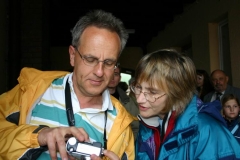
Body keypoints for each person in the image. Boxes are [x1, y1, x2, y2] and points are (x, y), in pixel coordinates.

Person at [0, 10, 135, 160]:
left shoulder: (121, 125)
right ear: (72, 56)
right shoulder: (32, 90)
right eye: (90, 59)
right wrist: (38, 136)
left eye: (109, 63)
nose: (99, 72)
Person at [130, 49, 240, 159]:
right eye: (138, 87)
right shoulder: (148, 126)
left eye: (152, 92)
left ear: (178, 93)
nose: (139, 99)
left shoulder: (208, 131)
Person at [108, 66, 139, 140]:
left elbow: (136, 127)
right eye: (110, 73)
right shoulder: (94, 97)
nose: (112, 77)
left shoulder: (127, 101)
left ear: (120, 78)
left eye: (115, 74)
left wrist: (127, 146)